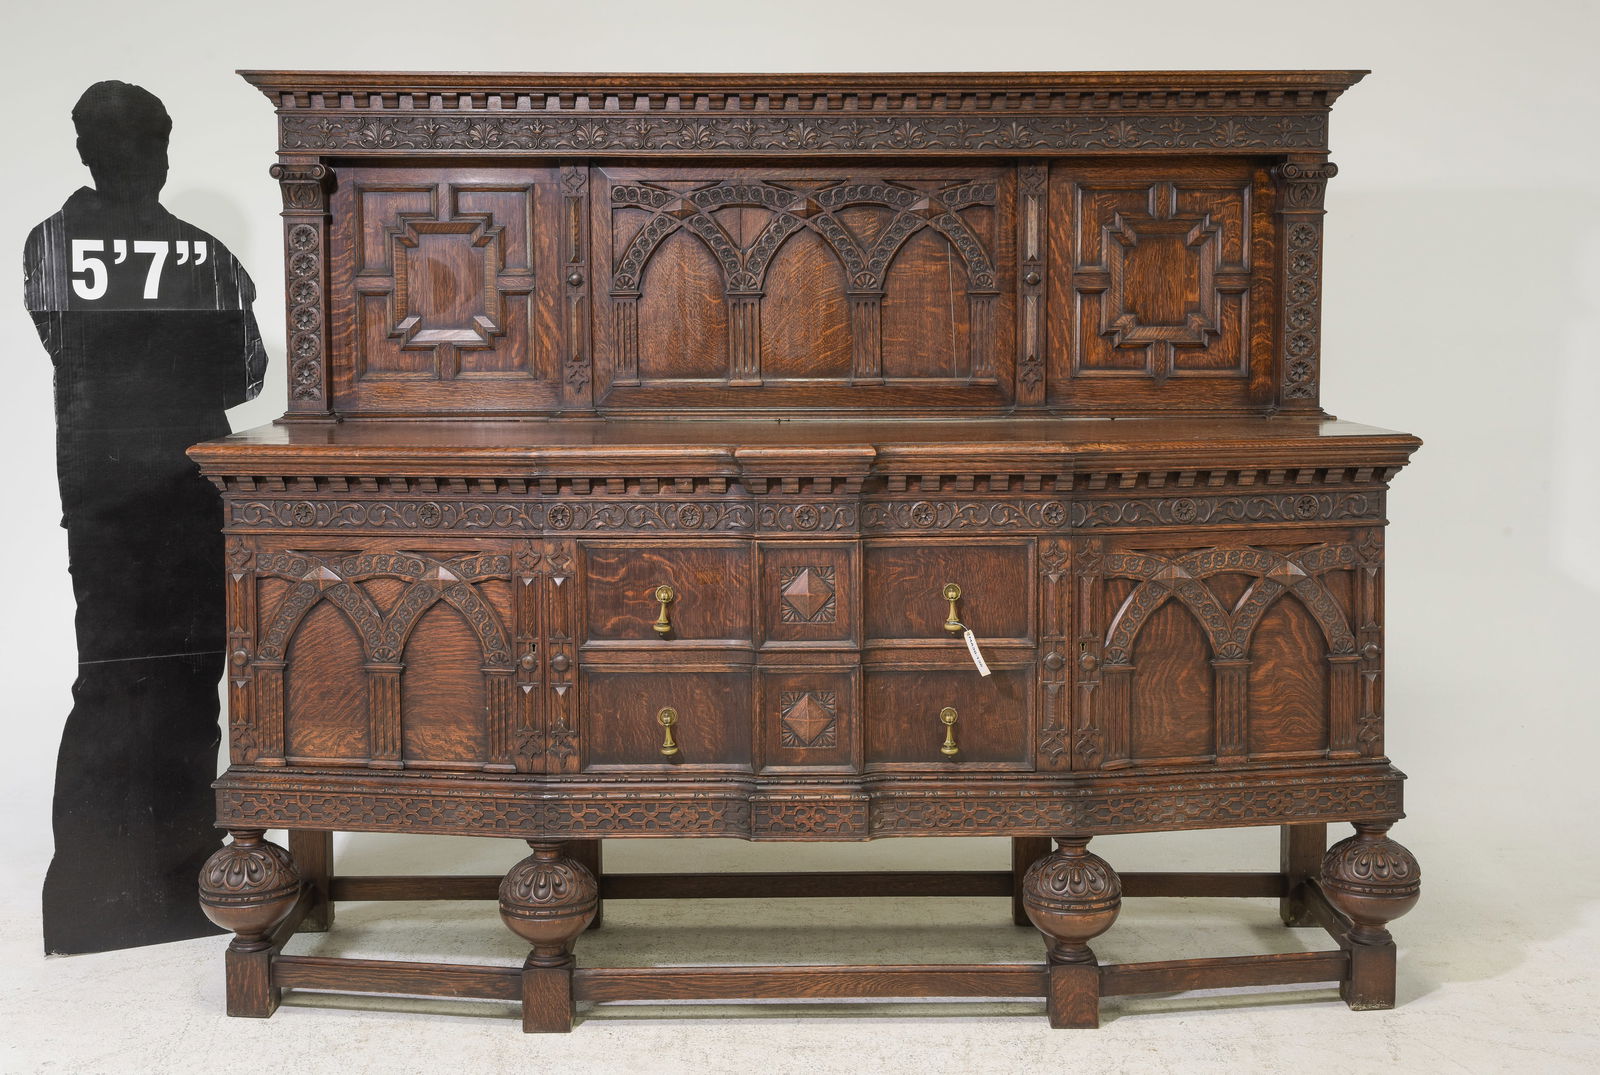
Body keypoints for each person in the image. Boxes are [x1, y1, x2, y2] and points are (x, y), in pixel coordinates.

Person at [23, 80, 267, 954]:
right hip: (193, 494)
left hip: (103, 499)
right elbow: (246, 377)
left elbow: (58, 336)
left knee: (112, 680)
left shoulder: (50, 244)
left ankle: (94, 901)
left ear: (86, 150)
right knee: (191, 682)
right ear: (162, 151)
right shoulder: (206, 256)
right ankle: (178, 888)